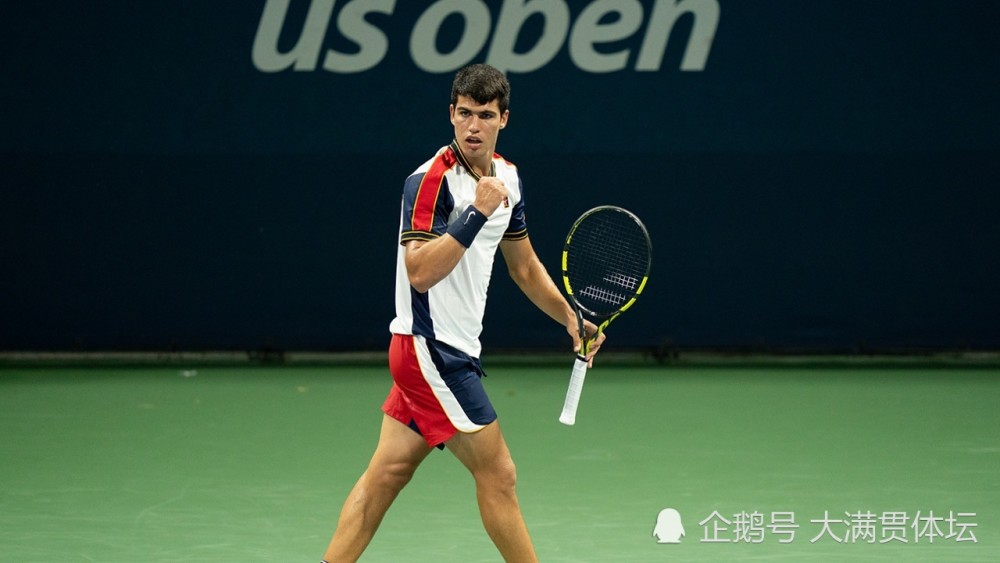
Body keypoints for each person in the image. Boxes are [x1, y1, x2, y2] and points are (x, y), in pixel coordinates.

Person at [321, 63, 605, 563]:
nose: (474, 126)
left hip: (444, 352)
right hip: (431, 352)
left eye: (486, 115)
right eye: (465, 114)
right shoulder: (429, 181)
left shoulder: (508, 179)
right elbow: (419, 272)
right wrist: (475, 212)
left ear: (504, 119)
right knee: (499, 473)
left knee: (387, 474)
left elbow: (524, 267)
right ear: (451, 114)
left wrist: (568, 316)